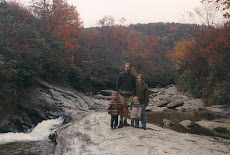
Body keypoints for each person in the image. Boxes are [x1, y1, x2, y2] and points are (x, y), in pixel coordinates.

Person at [116, 63, 136, 128]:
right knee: (122, 108)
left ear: (130, 68)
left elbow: (134, 85)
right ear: (124, 68)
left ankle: (125, 120)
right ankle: (121, 121)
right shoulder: (121, 75)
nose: (127, 68)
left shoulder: (133, 76)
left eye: (128, 67)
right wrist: (117, 92)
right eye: (126, 67)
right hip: (121, 93)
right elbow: (118, 83)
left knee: (127, 108)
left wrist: (134, 94)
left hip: (130, 94)